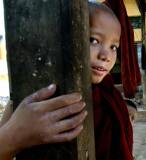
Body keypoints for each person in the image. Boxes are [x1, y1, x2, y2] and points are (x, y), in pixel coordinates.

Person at [0, 2, 134, 160]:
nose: (106, 56)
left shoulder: (109, 96)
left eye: (114, 47)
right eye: (94, 40)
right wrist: (15, 137)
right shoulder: (34, 94)